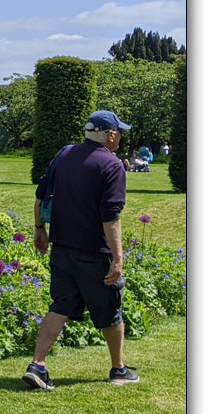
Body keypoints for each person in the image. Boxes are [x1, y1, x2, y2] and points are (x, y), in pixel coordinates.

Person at [23, 110, 139, 390]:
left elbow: (40, 197)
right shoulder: (112, 166)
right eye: (119, 132)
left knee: (60, 305)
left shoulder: (63, 155)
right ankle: (118, 369)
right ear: (110, 135)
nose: (120, 136)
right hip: (94, 252)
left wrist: (40, 230)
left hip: (61, 248)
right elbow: (110, 217)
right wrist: (118, 257)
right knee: (110, 310)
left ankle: (37, 364)